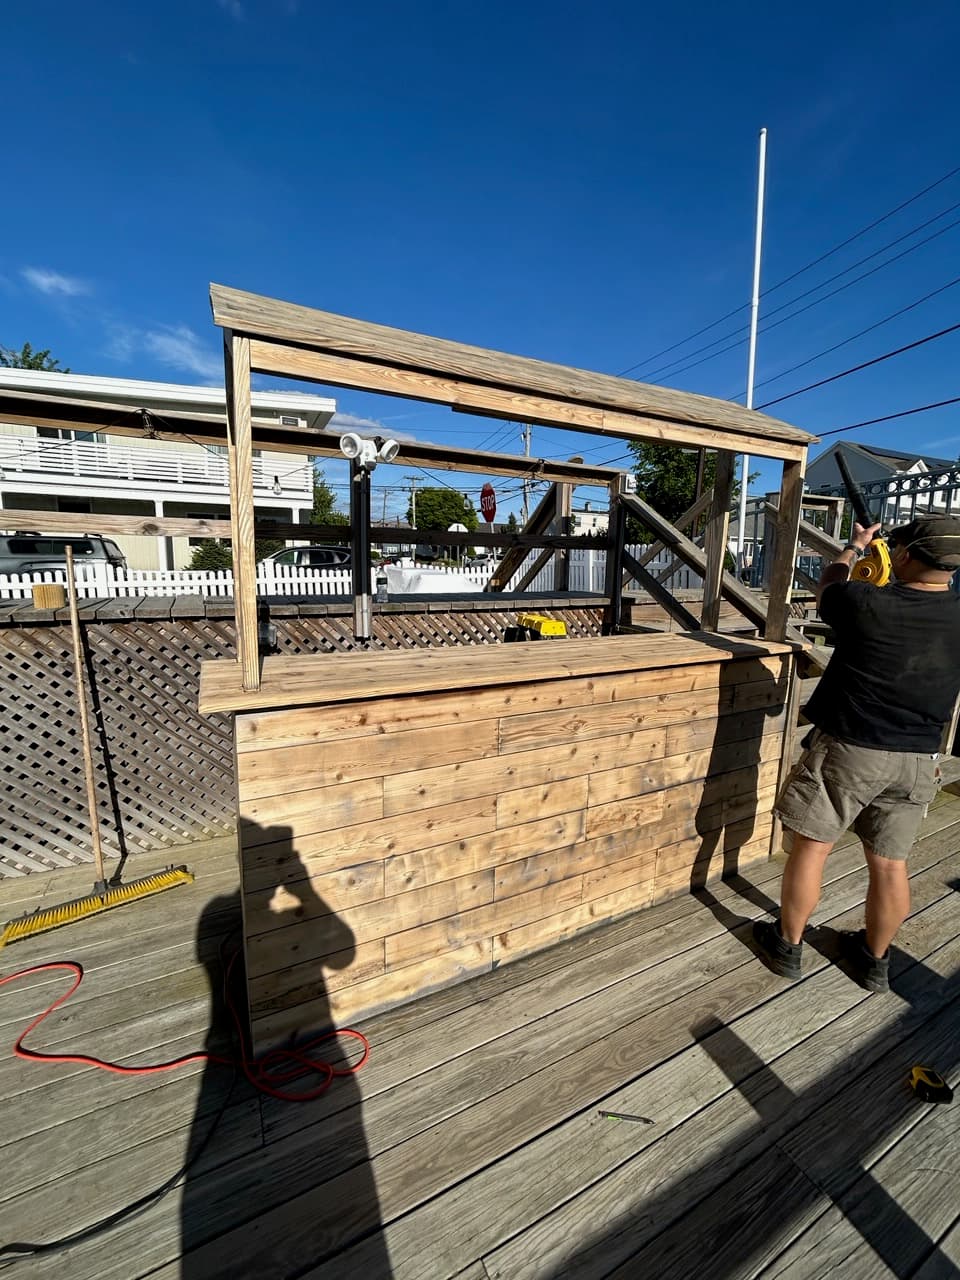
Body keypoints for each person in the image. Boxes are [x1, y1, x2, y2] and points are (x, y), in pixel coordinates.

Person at [754, 514, 960, 992]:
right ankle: (874, 959)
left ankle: (787, 945)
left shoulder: (865, 602)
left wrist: (854, 548)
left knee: (813, 846)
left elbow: (829, 585)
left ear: (904, 555)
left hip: (850, 751)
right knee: (890, 863)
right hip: (918, 760)